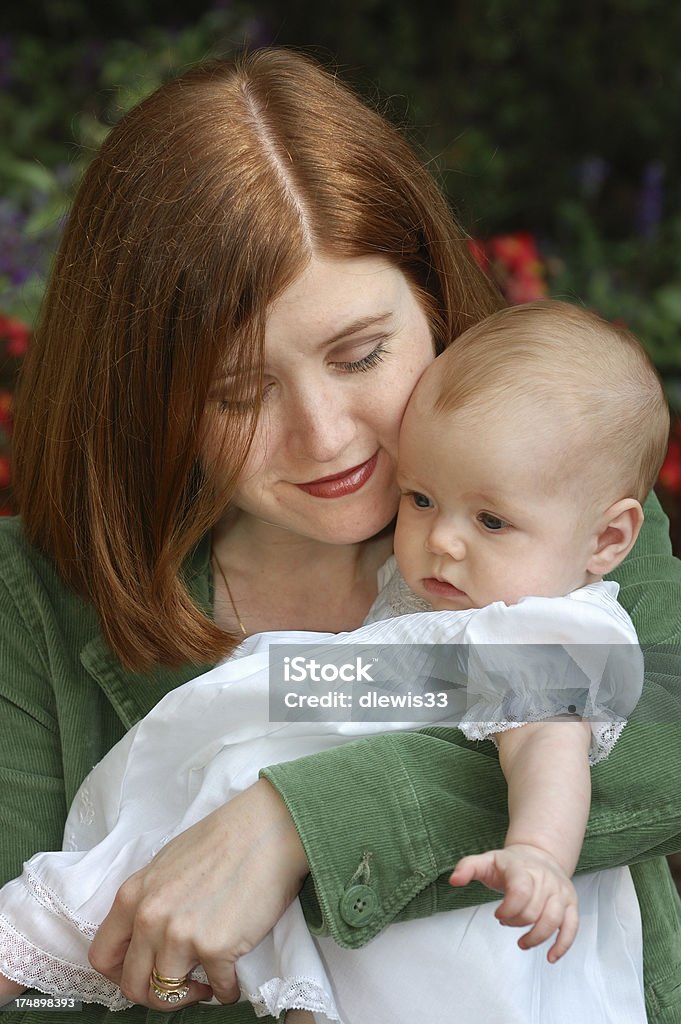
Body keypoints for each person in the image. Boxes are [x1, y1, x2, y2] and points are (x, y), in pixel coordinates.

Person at [0, 46, 680, 1024]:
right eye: (239, 392)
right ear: (149, 398)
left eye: (361, 354)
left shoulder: (555, 503)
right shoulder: (30, 601)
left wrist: (299, 823)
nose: (325, 435)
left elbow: (662, 734)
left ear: (437, 305)